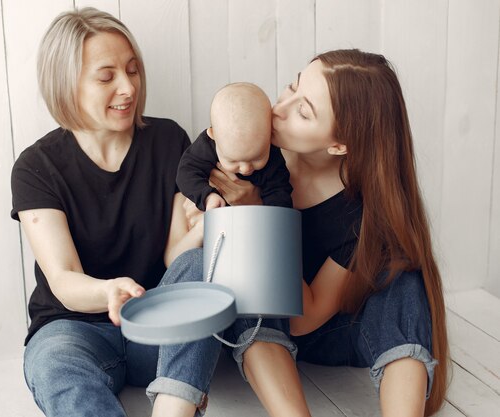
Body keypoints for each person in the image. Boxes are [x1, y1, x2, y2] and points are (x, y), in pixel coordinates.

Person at [186, 49, 449, 417]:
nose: (278, 109)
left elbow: (303, 319)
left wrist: (261, 220)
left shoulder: (361, 216)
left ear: (339, 144)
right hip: (260, 332)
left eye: (303, 111)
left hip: (322, 330)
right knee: (250, 283)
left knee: (403, 279)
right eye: (291, 87)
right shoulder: (250, 151)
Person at [10, 8, 220, 417]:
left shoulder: (168, 140)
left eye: (133, 70)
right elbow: (63, 278)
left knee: (200, 267)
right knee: (54, 366)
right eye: (107, 77)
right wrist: (108, 292)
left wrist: (209, 223)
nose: (128, 88)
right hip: (74, 328)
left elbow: (178, 259)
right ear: (66, 85)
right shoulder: (36, 167)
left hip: (156, 324)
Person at [176, 82, 292, 211]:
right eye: (233, 160)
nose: (245, 168)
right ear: (213, 135)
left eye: (257, 158)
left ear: (270, 135)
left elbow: (280, 193)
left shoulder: (272, 155)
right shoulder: (206, 146)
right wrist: (207, 196)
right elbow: (186, 174)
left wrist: (269, 215)